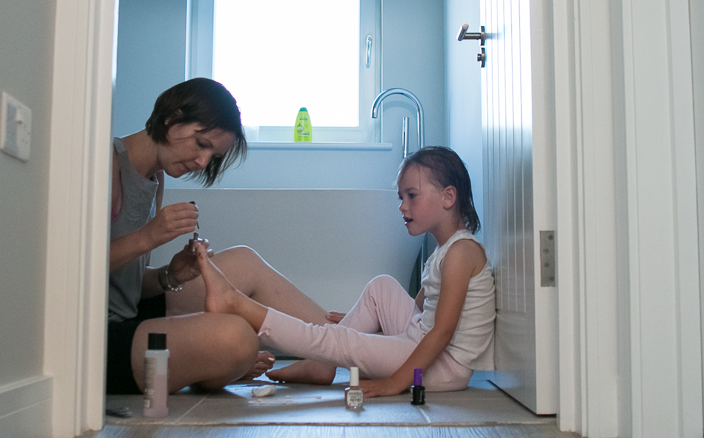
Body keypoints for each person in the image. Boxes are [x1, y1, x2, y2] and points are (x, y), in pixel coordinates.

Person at [196, 146, 496, 397]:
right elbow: (422, 308)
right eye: (400, 197)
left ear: (448, 197)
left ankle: (237, 302)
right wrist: (362, 323)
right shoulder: (447, 250)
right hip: (423, 345)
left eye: (412, 196)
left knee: (341, 342)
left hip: (442, 367)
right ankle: (323, 365)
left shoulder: (461, 253)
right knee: (382, 287)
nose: (403, 206)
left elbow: (442, 331)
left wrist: (394, 383)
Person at [107, 78, 330, 395]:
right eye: (202, 145)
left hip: (129, 313)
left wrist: (171, 275)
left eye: (211, 156)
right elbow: (73, 274)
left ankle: (340, 350)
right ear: (172, 118)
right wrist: (147, 237)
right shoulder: (107, 165)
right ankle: (215, 363)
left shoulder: (154, 177)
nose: (202, 162)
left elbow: (125, 285)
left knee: (245, 261)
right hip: (98, 336)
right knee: (237, 339)